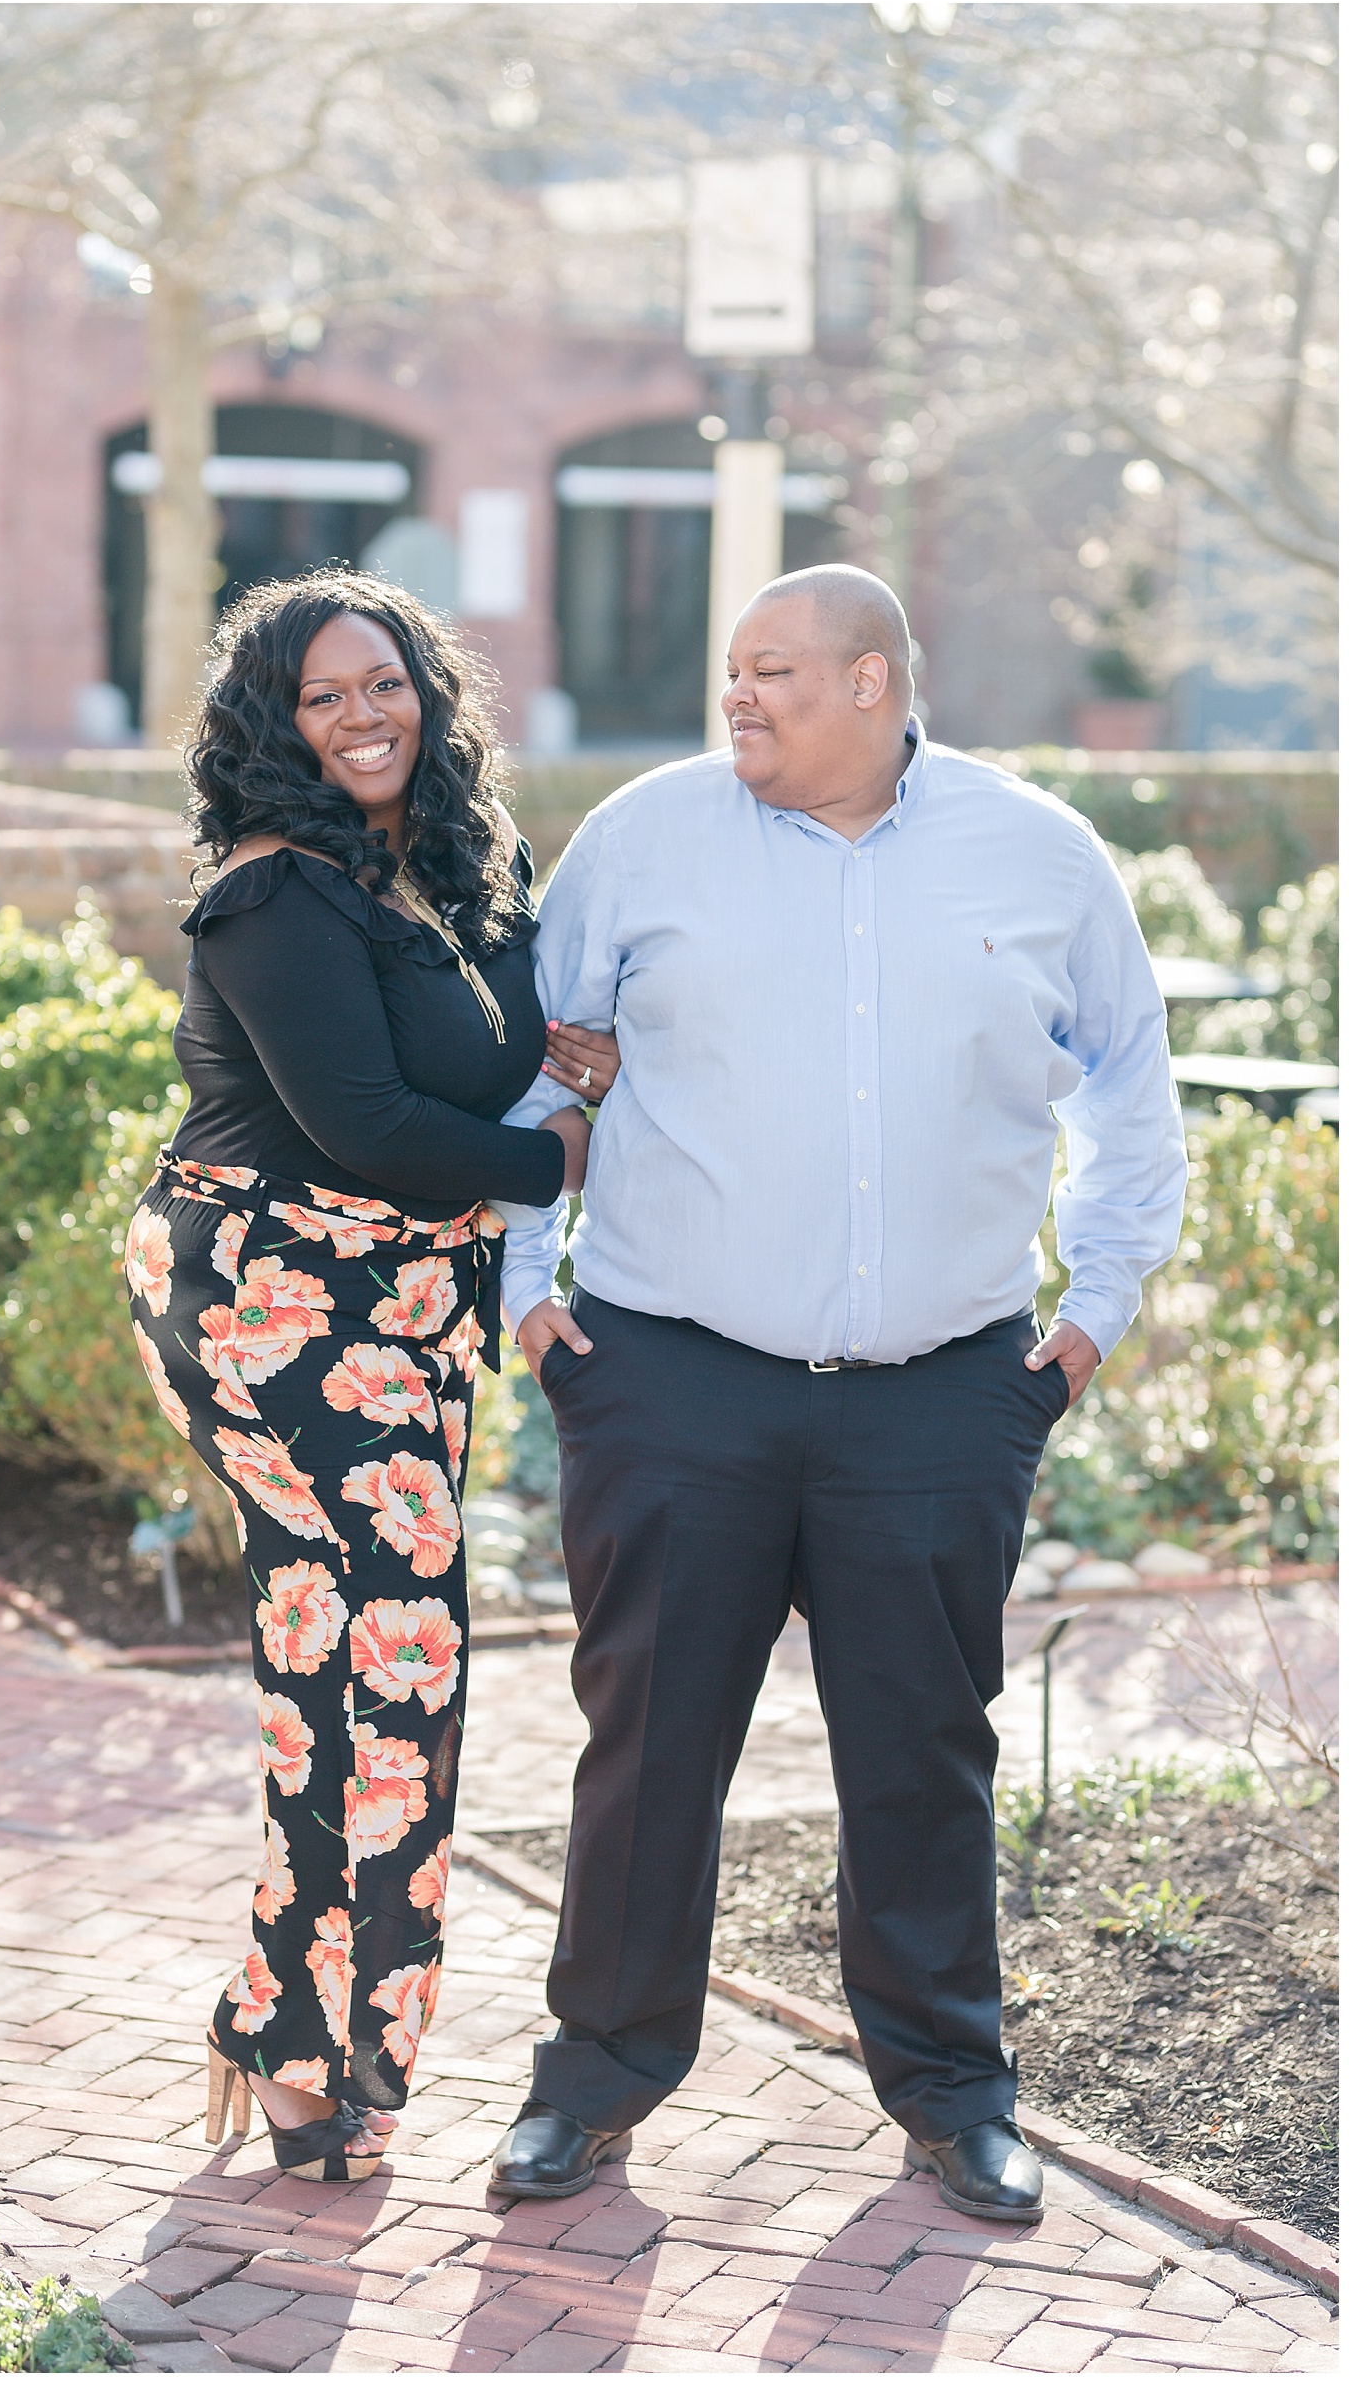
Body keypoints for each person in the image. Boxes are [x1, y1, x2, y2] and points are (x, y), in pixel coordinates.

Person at [489, 564, 1187, 2218]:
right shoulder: (646, 839)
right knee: (648, 1748)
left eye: (776, 671)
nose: (739, 696)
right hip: (669, 1381)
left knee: (924, 1752)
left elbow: (1130, 1090)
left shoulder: (1036, 854)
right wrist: (530, 1290)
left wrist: (1090, 1314)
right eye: (734, 671)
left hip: (942, 1398)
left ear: (875, 682)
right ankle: (591, 2083)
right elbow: (537, 1058)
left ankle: (954, 2092)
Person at [125, 569, 617, 2183]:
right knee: (373, 1656)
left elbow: (509, 1045)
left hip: (404, 1297)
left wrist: (571, 1061)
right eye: (324, 696)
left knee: (387, 1662)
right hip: (263, 1291)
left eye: (385, 682)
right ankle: (292, 2033)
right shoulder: (276, 891)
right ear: (276, 723)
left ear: (429, 688)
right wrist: (557, 1149)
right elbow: (370, 1125)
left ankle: (305, 2030)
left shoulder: (464, 866)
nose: (363, 716)